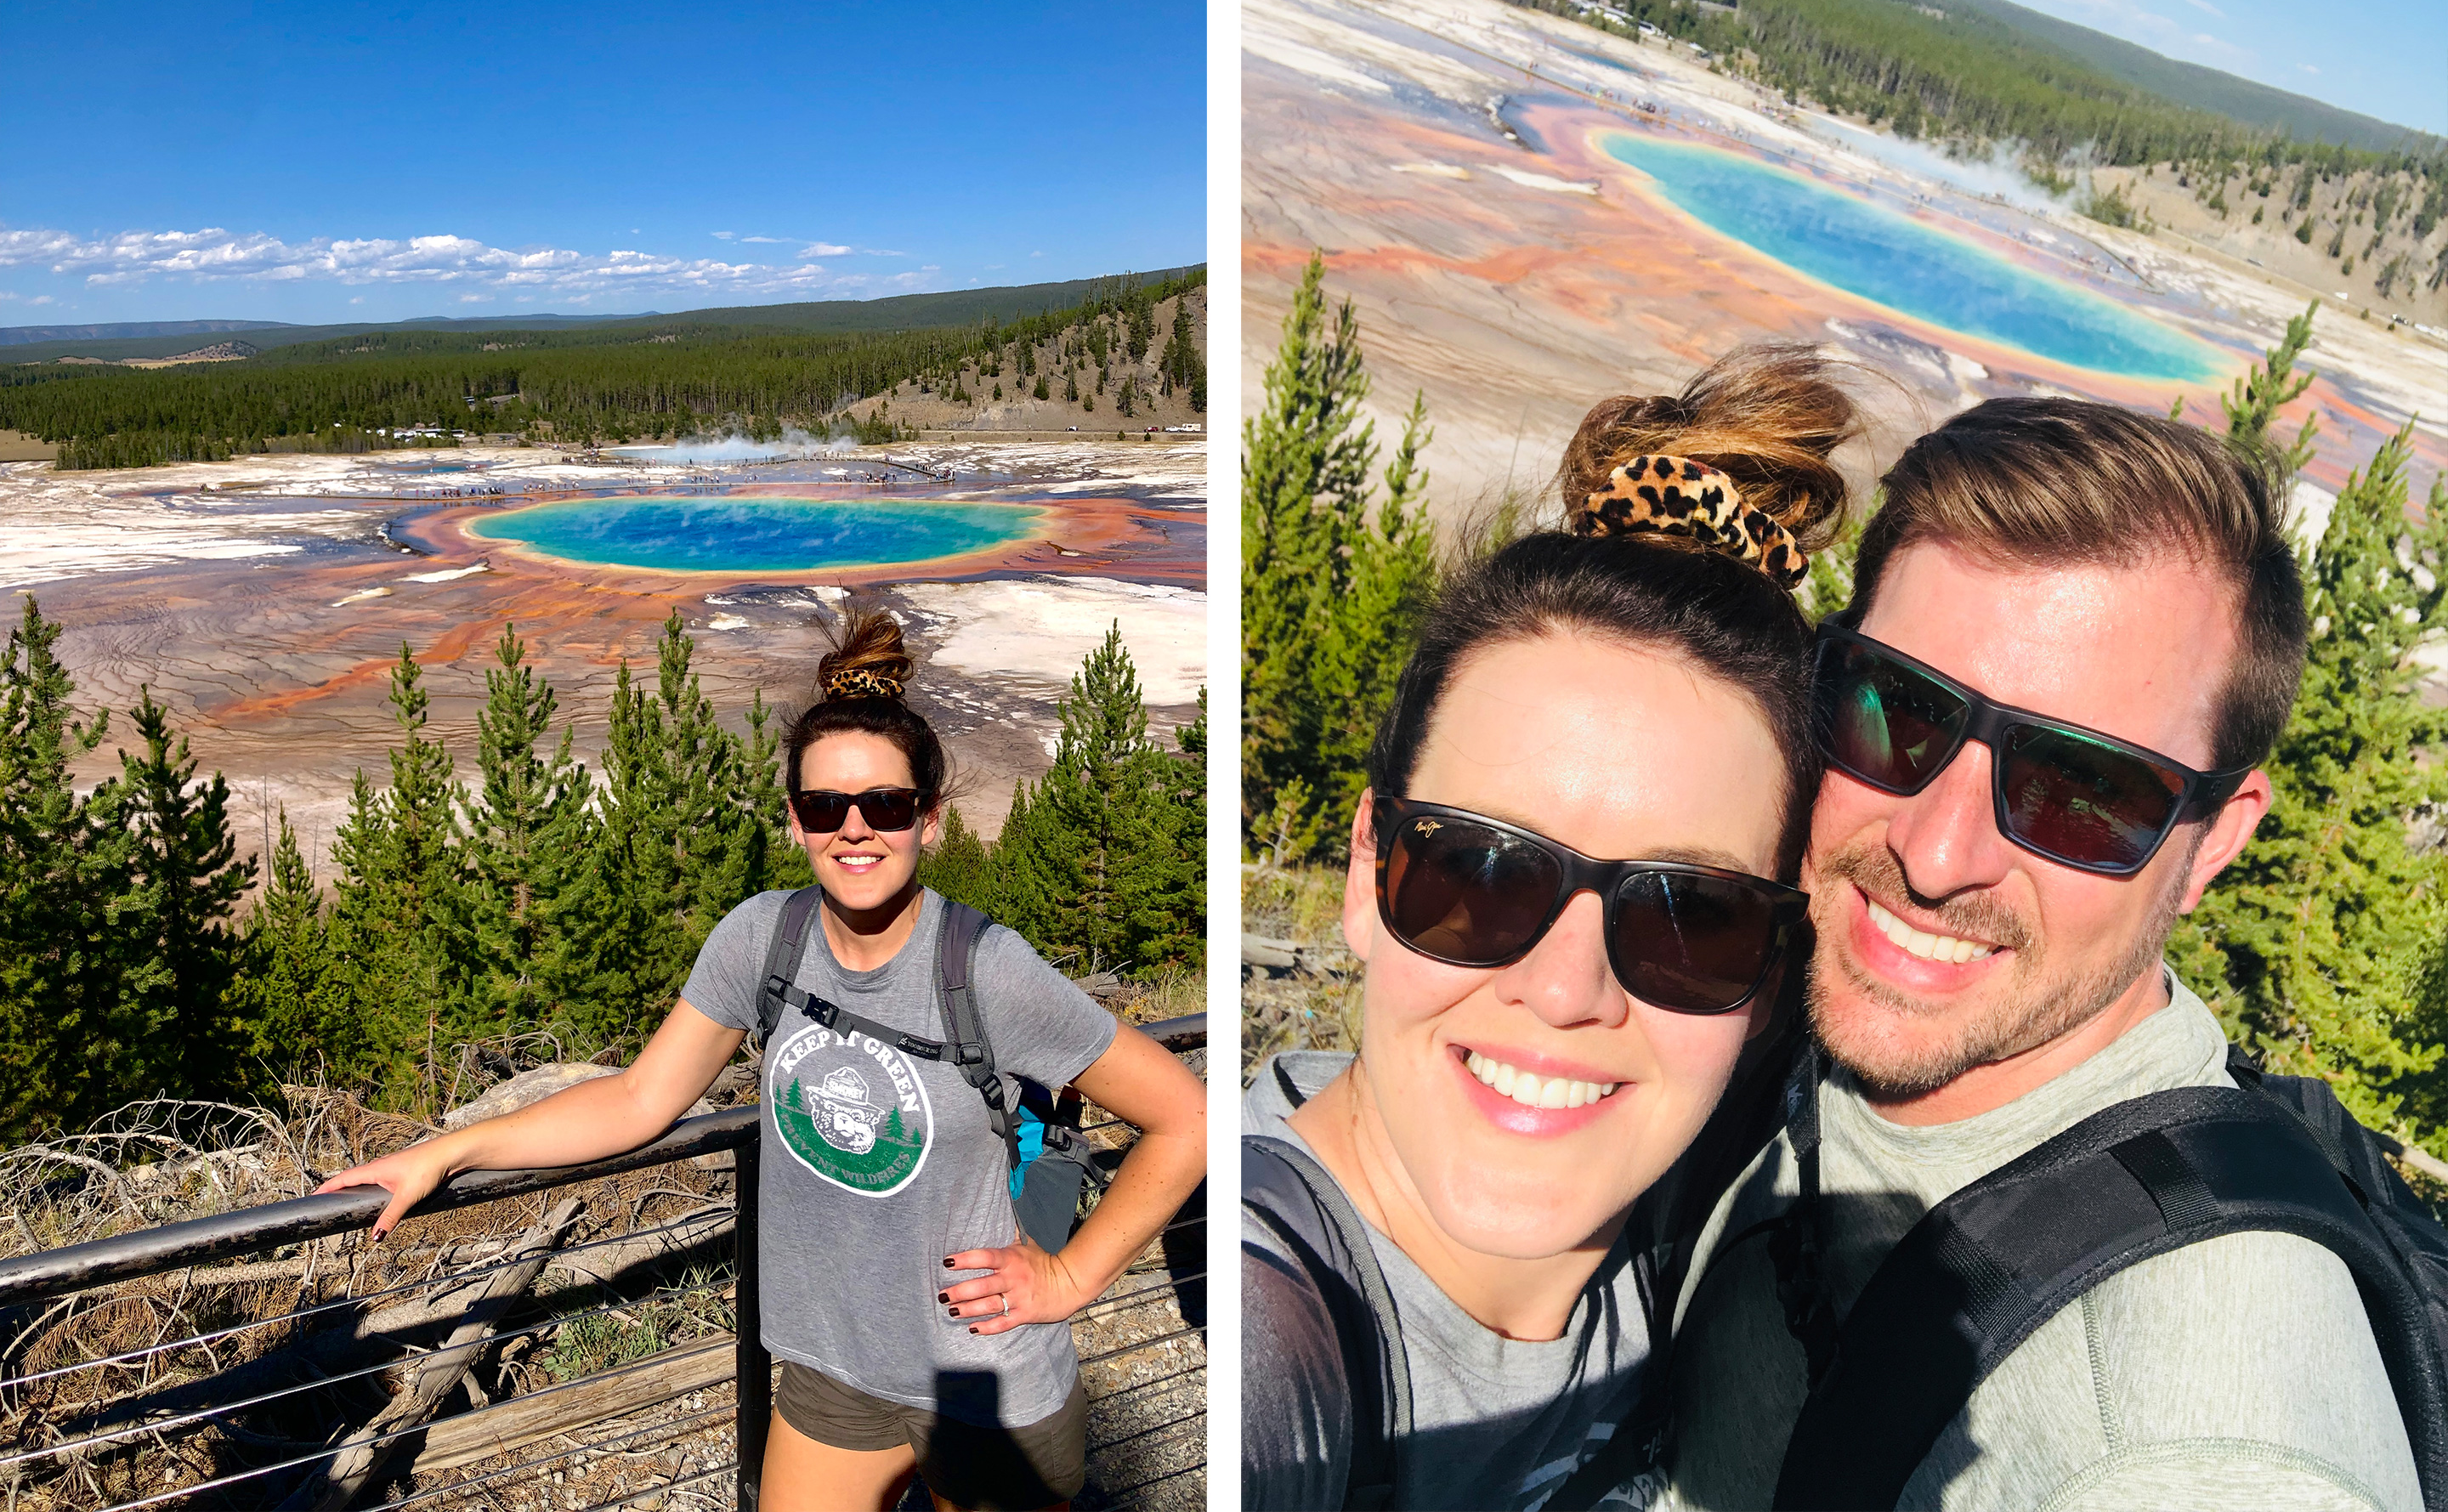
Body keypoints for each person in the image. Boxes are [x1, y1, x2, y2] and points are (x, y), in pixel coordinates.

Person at [1658, 399, 2422, 1510]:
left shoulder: (2182, 1452)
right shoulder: (1767, 987)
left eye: (2082, 789)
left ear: (2212, 844)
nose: (1932, 853)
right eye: (1894, 710)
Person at [322, 610, 1206, 1512]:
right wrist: (447, 1152)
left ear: (930, 821)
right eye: (826, 806)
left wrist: (1070, 1275)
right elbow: (637, 1099)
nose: (854, 830)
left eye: (887, 806)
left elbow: (1188, 1117)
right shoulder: (763, 940)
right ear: (795, 820)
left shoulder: (985, 967)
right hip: (831, 1371)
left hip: (985, 1383)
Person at [1242, 347, 1865, 1510]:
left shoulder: (1704, 1221)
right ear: (1369, 872)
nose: (1566, 986)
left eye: (1692, 917)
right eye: (1482, 873)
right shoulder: (1266, 1327)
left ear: (1772, 975)